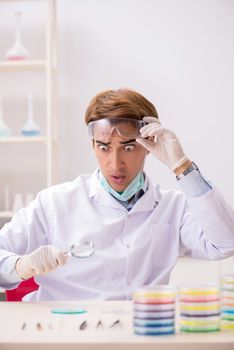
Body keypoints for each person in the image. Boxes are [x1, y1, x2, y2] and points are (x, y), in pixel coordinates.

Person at [0, 88, 234, 301]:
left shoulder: (173, 206)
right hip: (66, 333)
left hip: (141, 333)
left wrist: (182, 166)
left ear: (149, 145)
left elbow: (225, 243)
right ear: (93, 144)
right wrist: (23, 266)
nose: (115, 164)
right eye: (104, 147)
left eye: (128, 147)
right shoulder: (54, 203)